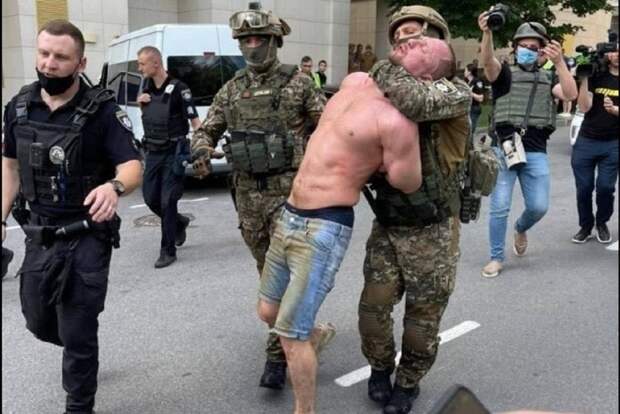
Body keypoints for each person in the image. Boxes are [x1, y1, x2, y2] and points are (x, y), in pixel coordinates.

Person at [257, 34, 462, 414]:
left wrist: (381, 158)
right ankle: (330, 343)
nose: (411, 40)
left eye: (423, 46)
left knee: (293, 332)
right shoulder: (355, 81)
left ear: (427, 76)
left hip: (326, 225)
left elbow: (407, 181)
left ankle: (383, 387)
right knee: (271, 311)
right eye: (411, 36)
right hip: (292, 213)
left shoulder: (401, 119)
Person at [1, 19, 142, 414]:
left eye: (61, 57)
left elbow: (133, 165)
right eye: (44, 53)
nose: (49, 63)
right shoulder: (19, 107)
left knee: (78, 328)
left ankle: (79, 402)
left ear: (81, 63)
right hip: (41, 232)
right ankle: (80, 346)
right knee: (38, 321)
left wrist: (113, 187)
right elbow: (9, 166)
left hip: (87, 235)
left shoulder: (102, 111)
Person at [190, 2, 327, 391]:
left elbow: (330, 127)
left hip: (293, 198)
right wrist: (201, 149)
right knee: (267, 274)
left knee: (291, 276)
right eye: (245, 40)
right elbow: (208, 128)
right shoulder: (232, 89)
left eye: (259, 39)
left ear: (274, 41)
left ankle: (278, 355)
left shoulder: (300, 83)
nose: (252, 46)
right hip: (249, 200)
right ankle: (302, 334)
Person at [356, 7, 474, 414]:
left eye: (413, 34)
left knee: (422, 319)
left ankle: (408, 382)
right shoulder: (384, 89)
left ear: (437, 39)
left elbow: (415, 102)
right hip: (390, 222)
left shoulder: (454, 91)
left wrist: (383, 67)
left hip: (433, 229)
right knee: (373, 309)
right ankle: (379, 368)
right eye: (397, 38)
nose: (403, 42)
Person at [478, 15, 578, 278]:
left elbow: (570, 94)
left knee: (539, 206)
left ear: (542, 50)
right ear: (515, 47)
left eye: (534, 47)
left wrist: (560, 63)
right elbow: (487, 63)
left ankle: (521, 228)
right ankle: (496, 257)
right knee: (499, 207)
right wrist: (487, 33)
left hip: (535, 151)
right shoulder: (503, 73)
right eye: (523, 45)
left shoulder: (548, 77)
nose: (528, 50)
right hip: (504, 149)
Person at [136, 46, 202, 268]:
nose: (139, 68)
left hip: (174, 151)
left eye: (142, 64)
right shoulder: (146, 88)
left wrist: (203, 146)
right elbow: (151, 118)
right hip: (153, 152)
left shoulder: (180, 89)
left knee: (167, 201)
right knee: (150, 198)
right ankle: (179, 222)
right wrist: (141, 105)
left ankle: (167, 251)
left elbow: (195, 122)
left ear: (155, 63)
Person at [570, 42, 618, 243]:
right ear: (608, 55)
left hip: (613, 143)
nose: (617, 55)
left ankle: (602, 222)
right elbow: (584, 106)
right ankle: (585, 225)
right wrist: (584, 79)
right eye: (614, 51)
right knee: (584, 188)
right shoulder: (596, 74)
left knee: (606, 188)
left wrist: (615, 110)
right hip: (586, 141)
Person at [465, 63, 486, 135]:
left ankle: (471, 142)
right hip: (469, 108)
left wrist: (471, 94)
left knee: (470, 130)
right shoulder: (469, 82)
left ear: (469, 72)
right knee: (468, 131)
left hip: (474, 108)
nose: (464, 72)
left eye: (465, 70)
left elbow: (481, 98)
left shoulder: (477, 82)